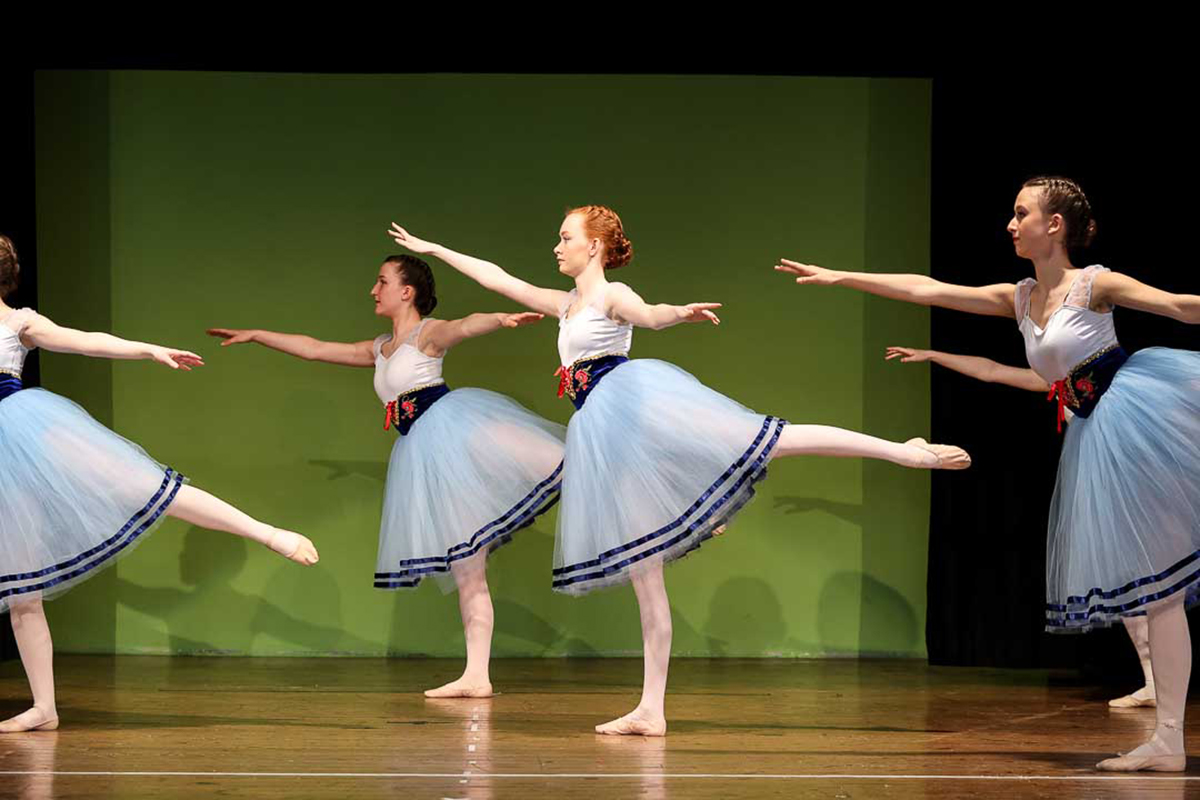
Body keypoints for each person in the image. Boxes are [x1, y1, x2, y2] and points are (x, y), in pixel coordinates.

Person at [387, 206, 970, 735]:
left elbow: (648, 313)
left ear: (593, 247)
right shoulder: (564, 304)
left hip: (634, 407)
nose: (557, 246)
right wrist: (437, 250)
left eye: (565, 237)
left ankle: (905, 450)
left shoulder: (611, 295)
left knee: (774, 440)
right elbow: (498, 278)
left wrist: (678, 315)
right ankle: (651, 708)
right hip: (605, 432)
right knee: (646, 576)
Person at [777, 176, 1200, 771]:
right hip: (1093, 432)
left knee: (1161, 590)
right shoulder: (1019, 297)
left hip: (1140, 419)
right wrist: (843, 277)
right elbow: (930, 290)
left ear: (1054, 225)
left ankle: (1168, 737)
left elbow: (1180, 307)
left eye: (1021, 212)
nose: (1010, 222)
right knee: (1157, 593)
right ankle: (1169, 738)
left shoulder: (1094, 283)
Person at [1, 234, 318, 734]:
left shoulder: (18, 322)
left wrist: (148, 349)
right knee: (23, 593)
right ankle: (45, 707)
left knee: (144, 487)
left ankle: (266, 532)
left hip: (19, 429)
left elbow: (87, 340)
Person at [209, 254, 565, 698]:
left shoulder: (426, 334)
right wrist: (258, 335)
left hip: (452, 435)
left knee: (532, 487)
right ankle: (477, 675)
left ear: (406, 291)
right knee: (466, 567)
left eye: (381, 282)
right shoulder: (379, 348)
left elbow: (465, 325)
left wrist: (500, 318)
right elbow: (315, 348)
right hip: (422, 451)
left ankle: (607, 472)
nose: (373, 290)